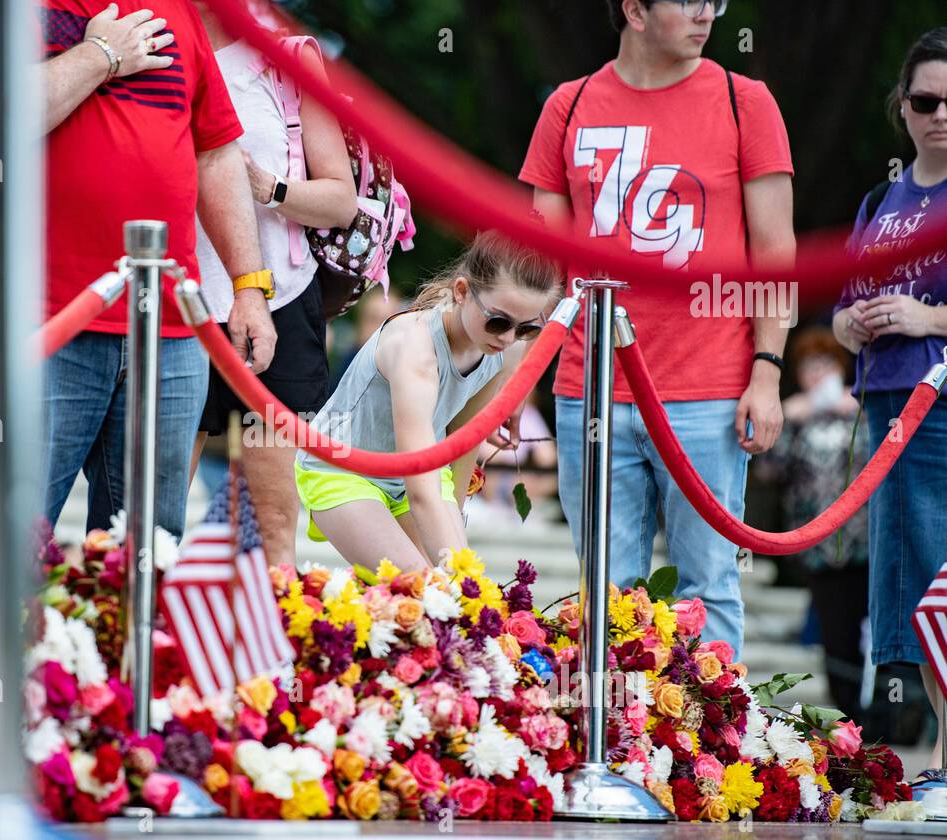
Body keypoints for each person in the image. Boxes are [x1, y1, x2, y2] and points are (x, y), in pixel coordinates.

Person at [0, 1, 275, 540]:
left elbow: (215, 154)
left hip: (169, 328)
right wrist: (101, 54)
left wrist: (249, 285)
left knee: (150, 546)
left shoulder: (175, 8)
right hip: (32, 322)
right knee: (5, 543)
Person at [519, 0, 796, 657]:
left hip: (709, 388)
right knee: (607, 590)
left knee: (709, 588)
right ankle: (616, 744)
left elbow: (777, 250)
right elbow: (538, 269)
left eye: (717, 2)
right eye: (690, 0)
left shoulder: (744, 100)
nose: (709, 14)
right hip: (587, 386)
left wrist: (769, 370)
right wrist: (510, 378)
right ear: (634, 10)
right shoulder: (569, 102)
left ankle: (718, 751)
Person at [191, 3, 358, 567]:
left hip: (279, 306)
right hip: (175, 304)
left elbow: (341, 200)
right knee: (154, 503)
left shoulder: (290, 58)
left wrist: (267, 186)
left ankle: (273, 644)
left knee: (272, 521)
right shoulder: (142, 41)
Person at [294, 232, 561, 572]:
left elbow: (464, 442)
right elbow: (421, 488)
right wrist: (461, 579)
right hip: (344, 469)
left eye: (526, 329)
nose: (508, 338)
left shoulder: (505, 349)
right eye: (498, 321)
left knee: (445, 595)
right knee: (424, 588)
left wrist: (456, 522)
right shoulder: (415, 349)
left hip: (421, 475)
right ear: (461, 292)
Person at [832, 27, 947, 770]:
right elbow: (839, 312)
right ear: (901, 109)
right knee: (909, 582)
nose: (940, 113)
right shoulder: (882, 195)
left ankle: (944, 755)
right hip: (885, 411)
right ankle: (936, 756)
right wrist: (854, 322)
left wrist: (928, 318)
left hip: (938, 409)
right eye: (926, 99)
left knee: (940, 576)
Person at [758, 327, 869, 722]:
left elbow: (884, 460)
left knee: (877, 629)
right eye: (808, 367)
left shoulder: (861, 408)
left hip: (867, 541)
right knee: (836, 632)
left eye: (824, 364)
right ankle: (849, 716)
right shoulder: (795, 413)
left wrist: (856, 410)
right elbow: (769, 471)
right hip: (819, 543)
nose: (817, 373)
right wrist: (787, 419)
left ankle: (891, 715)